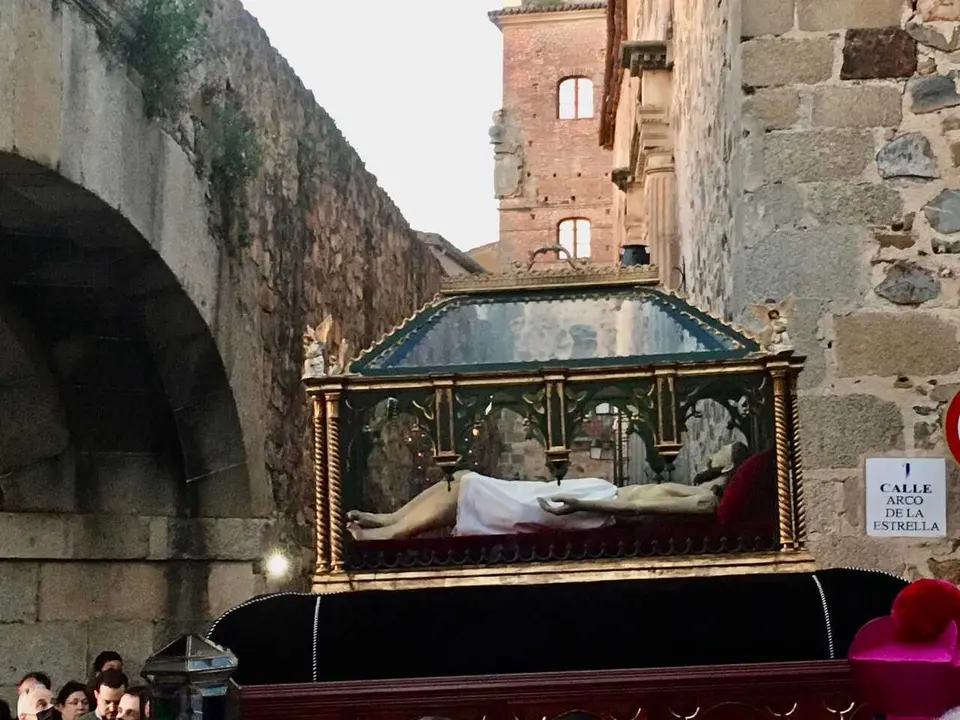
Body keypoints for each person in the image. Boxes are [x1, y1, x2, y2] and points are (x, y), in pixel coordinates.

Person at [347, 443, 748, 541]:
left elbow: (636, 506)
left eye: (722, 452)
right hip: (597, 494)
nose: (714, 452)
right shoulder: (698, 489)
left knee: (467, 487)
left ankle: (392, 534)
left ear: (727, 467)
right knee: (464, 475)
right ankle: (393, 517)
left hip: (593, 510)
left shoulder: (704, 500)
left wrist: (578, 503)